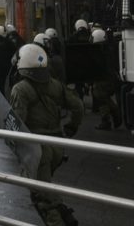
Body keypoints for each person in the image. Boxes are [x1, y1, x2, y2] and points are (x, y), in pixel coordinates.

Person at [10, 44, 83, 226]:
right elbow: (78, 106)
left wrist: (15, 144)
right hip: (57, 146)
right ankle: (67, 216)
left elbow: (17, 123)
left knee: (40, 194)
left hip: (37, 150)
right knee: (45, 186)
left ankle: (58, 221)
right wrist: (72, 126)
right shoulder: (56, 85)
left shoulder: (20, 89)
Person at [90, 30, 121, 130]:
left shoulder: (101, 52)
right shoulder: (107, 49)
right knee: (101, 97)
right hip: (110, 78)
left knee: (99, 94)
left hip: (105, 79)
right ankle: (109, 118)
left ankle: (111, 116)